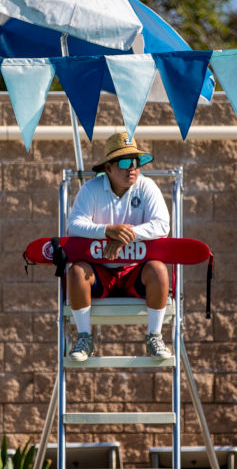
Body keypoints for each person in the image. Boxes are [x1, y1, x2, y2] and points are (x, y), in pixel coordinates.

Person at [65, 132, 171, 362]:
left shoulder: (147, 186)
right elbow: (73, 225)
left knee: (159, 270)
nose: (131, 168)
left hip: (136, 271)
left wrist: (125, 235)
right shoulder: (92, 189)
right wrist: (106, 231)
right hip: (99, 272)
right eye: (124, 162)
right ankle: (84, 337)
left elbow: (163, 226)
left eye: (136, 162)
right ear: (108, 168)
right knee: (76, 272)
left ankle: (155, 336)